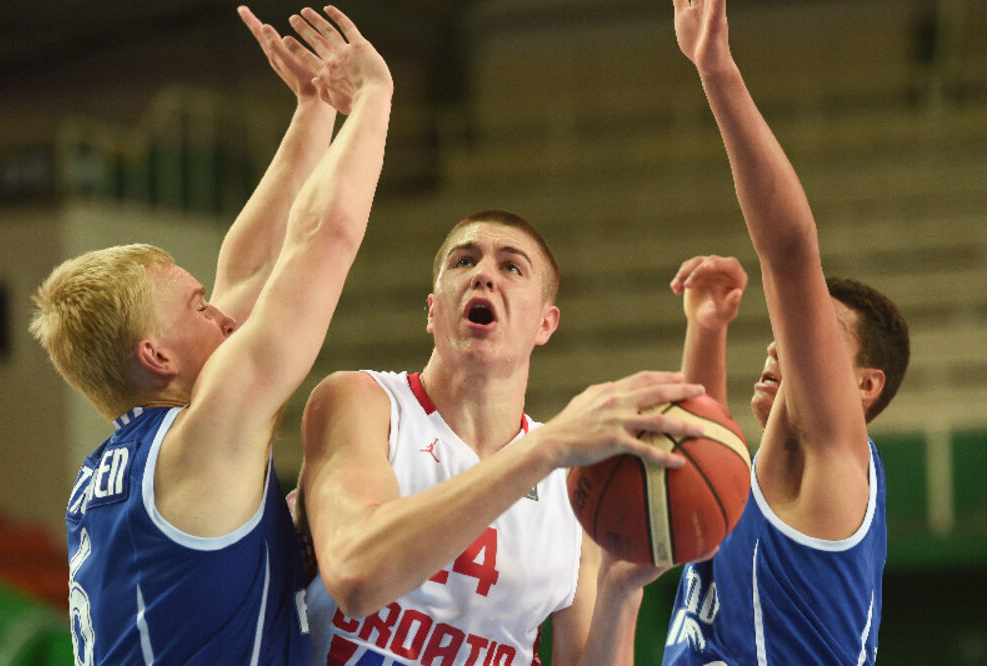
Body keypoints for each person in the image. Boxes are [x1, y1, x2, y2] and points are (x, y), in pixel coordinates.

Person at [28, 6, 393, 663]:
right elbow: (324, 237)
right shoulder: (205, 439)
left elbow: (249, 271)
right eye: (199, 308)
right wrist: (373, 96)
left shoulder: (115, 470)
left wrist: (314, 108)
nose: (223, 315)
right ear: (156, 355)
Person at [297, 208, 712, 665]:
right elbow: (356, 578)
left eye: (512, 267)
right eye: (464, 261)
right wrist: (546, 448)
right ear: (432, 311)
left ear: (545, 324)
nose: (483, 275)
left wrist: (620, 591)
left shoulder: (572, 483)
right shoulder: (363, 402)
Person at [661, 1, 910, 663]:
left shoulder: (836, 459)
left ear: (865, 386)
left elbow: (791, 254)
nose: (781, 341)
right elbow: (694, 463)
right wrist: (707, 330)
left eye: (819, 333)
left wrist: (717, 70)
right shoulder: (758, 484)